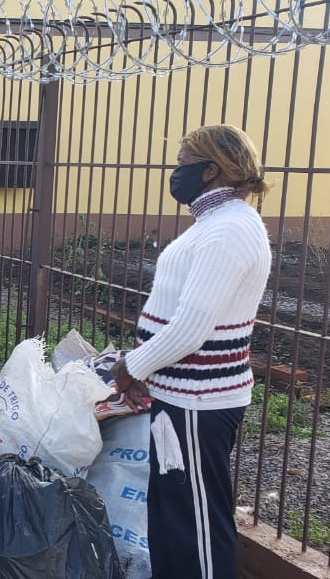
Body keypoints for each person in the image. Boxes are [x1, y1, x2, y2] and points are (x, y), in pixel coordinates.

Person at [109, 125, 271, 579]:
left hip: (199, 403)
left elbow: (191, 328)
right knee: (173, 519)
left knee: (197, 525)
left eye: (182, 163)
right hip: (178, 397)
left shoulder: (231, 230)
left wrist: (132, 366)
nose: (175, 172)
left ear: (211, 171)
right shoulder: (213, 224)